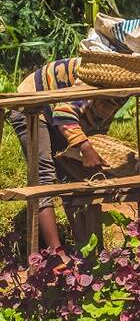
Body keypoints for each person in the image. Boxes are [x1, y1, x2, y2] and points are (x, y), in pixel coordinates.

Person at [7, 57, 127, 252]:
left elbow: (97, 120)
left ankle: (86, 248)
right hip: (32, 105)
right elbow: (63, 114)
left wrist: (93, 146)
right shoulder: (92, 80)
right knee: (43, 176)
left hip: (58, 110)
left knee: (71, 175)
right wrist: (85, 148)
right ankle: (56, 253)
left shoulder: (124, 85)